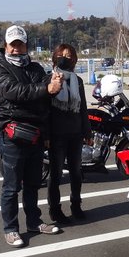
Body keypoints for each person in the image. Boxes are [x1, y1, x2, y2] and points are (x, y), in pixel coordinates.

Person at [0, 25, 64, 248]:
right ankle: (10, 229)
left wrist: (47, 134)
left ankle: (34, 222)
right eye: (12, 45)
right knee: (11, 187)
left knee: (33, 184)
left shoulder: (36, 68)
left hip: (37, 134)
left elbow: (45, 104)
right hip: (12, 135)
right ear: (6, 46)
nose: (16, 49)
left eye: (20, 44)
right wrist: (46, 89)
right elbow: (13, 92)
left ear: (26, 45)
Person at [47, 44, 92, 224]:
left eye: (69, 56)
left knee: (76, 172)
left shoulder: (77, 81)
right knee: (56, 174)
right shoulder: (49, 79)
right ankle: (55, 209)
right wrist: (46, 136)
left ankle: (76, 204)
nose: (65, 58)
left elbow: (83, 108)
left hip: (75, 132)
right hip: (56, 134)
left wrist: (87, 131)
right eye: (62, 55)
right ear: (55, 57)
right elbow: (45, 110)